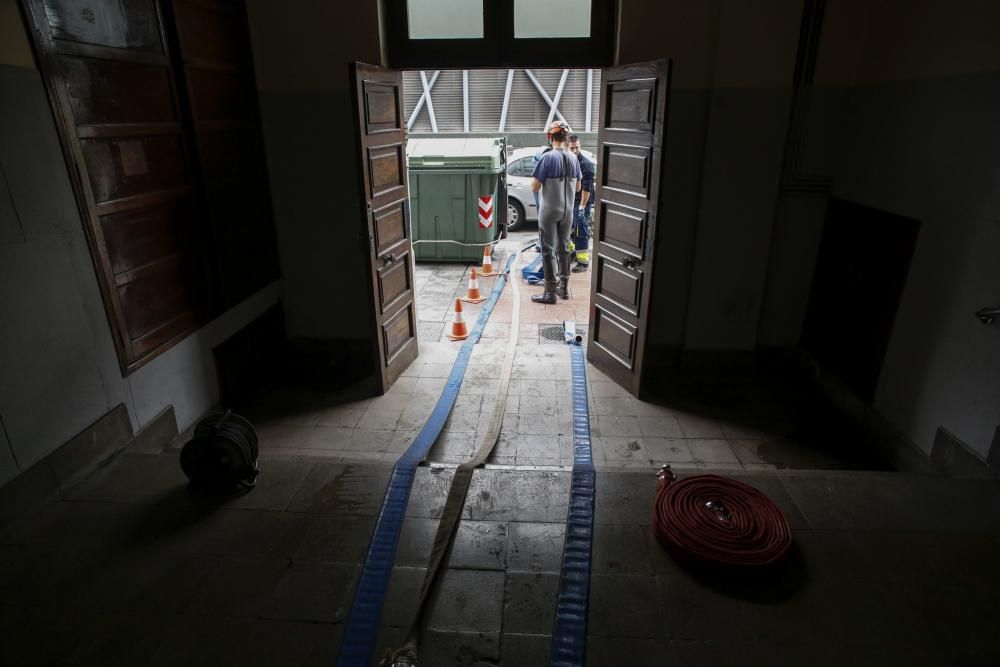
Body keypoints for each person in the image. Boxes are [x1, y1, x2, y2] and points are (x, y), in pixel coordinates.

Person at [530, 121, 582, 304]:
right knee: (564, 248)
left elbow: (535, 186)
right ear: (566, 138)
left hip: (549, 210)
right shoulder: (574, 158)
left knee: (548, 250)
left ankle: (550, 293)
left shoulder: (548, 157)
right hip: (568, 213)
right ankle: (564, 289)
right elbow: (578, 187)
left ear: (550, 137)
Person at [567, 135, 596, 272]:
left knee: (580, 229)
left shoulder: (586, 165)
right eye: (572, 148)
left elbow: (586, 189)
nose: (574, 150)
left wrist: (581, 209)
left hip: (582, 201)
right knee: (568, 229)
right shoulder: (568, 161)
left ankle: (583, 262)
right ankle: (573, 253)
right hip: (571, 200)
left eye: (577, 147)